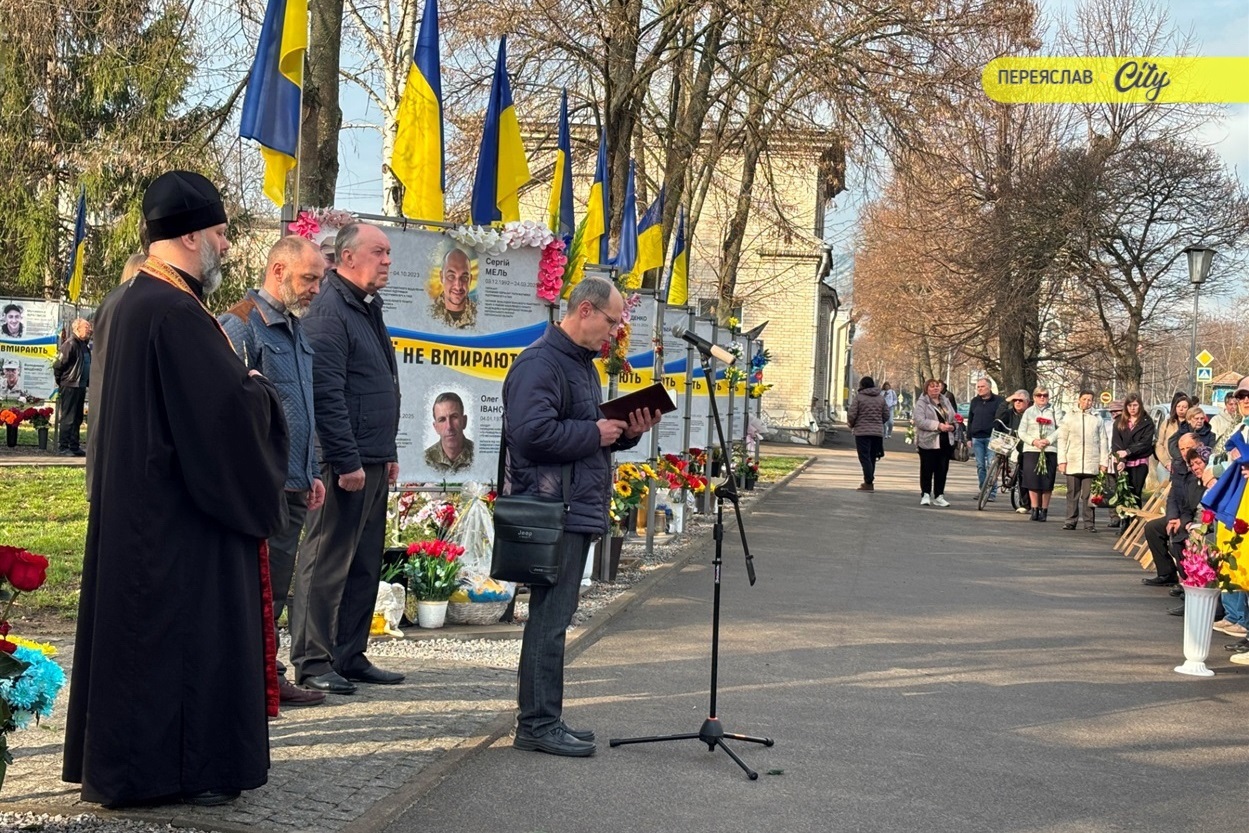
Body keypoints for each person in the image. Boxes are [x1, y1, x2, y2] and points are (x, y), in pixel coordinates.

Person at [62, 170, 289, 808]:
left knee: (137, 644)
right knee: (183, 643)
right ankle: (184, 770)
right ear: (190, 235)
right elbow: (221, 419)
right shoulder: (175, 311)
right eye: (220, 233)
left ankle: (131, 771)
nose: (225, 245)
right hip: (179, 518)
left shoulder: (124, 300)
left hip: (136, 507)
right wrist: (259, 394)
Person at [502, 277, 660, 757]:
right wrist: (595, 432)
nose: (614, 333)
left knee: (556, 617)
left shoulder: (579, 364)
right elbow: (531, 435)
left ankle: (545, 718)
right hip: (554, 508)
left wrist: (628, 430)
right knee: (548, 620)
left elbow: (589, 432)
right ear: (585, 310)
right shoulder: (540, 363)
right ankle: (537, 723)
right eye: (612, 322)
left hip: (573, 505)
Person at [291, 222, 404, 696]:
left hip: (371, 457)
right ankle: (312, 660)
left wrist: (387, 453)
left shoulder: (366, 305)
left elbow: (379, 384)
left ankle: (348, 653)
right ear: (348, 257)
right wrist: (346, 459)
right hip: (343, 463)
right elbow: (326, 394)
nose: (388, 260)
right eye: (379, 252)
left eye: (388, 253)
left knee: (363, 563)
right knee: (327, 560)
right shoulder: (329, 309)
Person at [219, 235, 329, 710]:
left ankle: (267, 676)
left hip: (294, 483)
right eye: (309, 278)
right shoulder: (241, 324)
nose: (316, 289)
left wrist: (313, 469)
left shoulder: (294, 327)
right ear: (278, 270)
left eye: (320, 280)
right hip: (263, 486)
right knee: (255, 592)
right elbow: (229, 412)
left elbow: (303, 408)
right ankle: (247, 685)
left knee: (275, 592)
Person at [1140, 432, 1203, 588]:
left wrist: (1182, 520)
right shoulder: (1178, 465)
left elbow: (1197, 500)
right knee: (1152, 528)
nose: (1185, 452)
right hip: (1179, 514)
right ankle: (1166, 573)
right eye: (1182, 449)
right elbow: (1173, 495)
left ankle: (1188, 581)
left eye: (1189, 447)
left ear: (1199, 446)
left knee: (1179, 533)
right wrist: (1172, 518)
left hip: (1195, 517)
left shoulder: (1201, 465)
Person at [1056, 390, 1105, 532]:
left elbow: (1103, 441)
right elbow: (1062, 439)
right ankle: (1070, 521)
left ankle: (1089, 523)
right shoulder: (1069, 417)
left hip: (1091, 462)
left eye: (1089, 400)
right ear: (1079, 400)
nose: (1086, 402)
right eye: (1084, 399)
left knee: (1089, 495)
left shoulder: (1097, 418)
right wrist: (1062, 460)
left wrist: (1103, 462)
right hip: (1073, 460)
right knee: (1072, 493)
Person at [1109, 394, 1155, 529]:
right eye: (1129, 406)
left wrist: (1129, 451)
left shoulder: (1147, 422)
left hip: (1139, 462)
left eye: (1135, 405)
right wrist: (1121, 459)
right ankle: (1124, 522)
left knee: (1135, 493)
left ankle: (1134, 523)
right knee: (1123, 492)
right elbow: (1116, 444)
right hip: (1122, 462)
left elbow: (1145, 443)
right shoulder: (1119, 422)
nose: (1132, 408)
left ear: (1140, 406)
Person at [1018, 387, 1060, 521]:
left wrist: (1049, 440)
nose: (1042, 397)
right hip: (1032, 449)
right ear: (1034, 397)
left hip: (1049, 449)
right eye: (1039, 395)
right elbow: (1021, 431)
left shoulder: (1054, 410)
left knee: (1047, 482)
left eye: (1045, 395)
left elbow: (1061, 428)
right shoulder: (1029, 412)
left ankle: (1044, 510)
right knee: (1032, 481)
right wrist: (1034, 441)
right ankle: (1034, 508)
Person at [52, 318, 92, 456]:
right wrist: (62, 381)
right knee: (68, 417)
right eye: (86, 327)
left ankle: (74, 446)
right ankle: (64, 447)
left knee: (77, 417)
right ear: (77, 329)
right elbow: (58, 365)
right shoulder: (70, 344)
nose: (89, 330)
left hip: (80, 386)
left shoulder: (84, 344)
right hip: (70, 385)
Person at [913, 378, 956, 507]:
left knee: (942, 469)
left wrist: (953, 426)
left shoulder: (945, 401)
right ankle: (925, 494)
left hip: (945, 441)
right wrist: (938, 425)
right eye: (932, 386)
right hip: (928, 441)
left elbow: (954, 417)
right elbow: (920, 421)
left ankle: (939, 496)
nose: (935, 388)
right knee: (927, 469)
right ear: (926, 389)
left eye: (937, 386)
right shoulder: (922, 403)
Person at [967, 377, 1005, 501]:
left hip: (992, 438)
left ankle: (991, 493)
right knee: (980, 466)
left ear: (989, 387)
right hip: (977, 438)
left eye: (982, 386)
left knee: (991, 465)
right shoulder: (975, 401)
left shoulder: (998, 400)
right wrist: (968, 437)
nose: (980, 389)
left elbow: (1002, 418)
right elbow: (970, 419)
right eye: (978, 387)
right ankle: (983, 490)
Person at [847, 375, 887, 491]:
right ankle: (868, 482)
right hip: (877, 433)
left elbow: (852, 414)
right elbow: (886, 414)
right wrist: (878, 423)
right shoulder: (880, 398)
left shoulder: (859, 398)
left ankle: (868, 481)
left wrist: (852, 424)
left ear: (862, 385)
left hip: (862, 432)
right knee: (872, 457)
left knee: (864, 457)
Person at [424, 391, 475, 473]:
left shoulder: (481, 457)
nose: (449, 426)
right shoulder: (425, 461)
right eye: (442, 420)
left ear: (464, 421)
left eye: (454, 417)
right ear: (436, 427)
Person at [429, 247, 477, 328]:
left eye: (464, 277)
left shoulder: (480, 315)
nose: (458, 286)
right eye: (451, 276)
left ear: (470, 280)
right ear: (441, 277)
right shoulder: (427, 313)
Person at [1154, 392, 1191, 483]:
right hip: (1167, 464)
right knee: (1165, 490)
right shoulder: (1167, 423)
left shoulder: (1192, 424)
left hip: (1186, 464)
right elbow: (1159, 444)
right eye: (1178, 406)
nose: (1181, 409)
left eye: (1184, 407)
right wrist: (1167, 462)